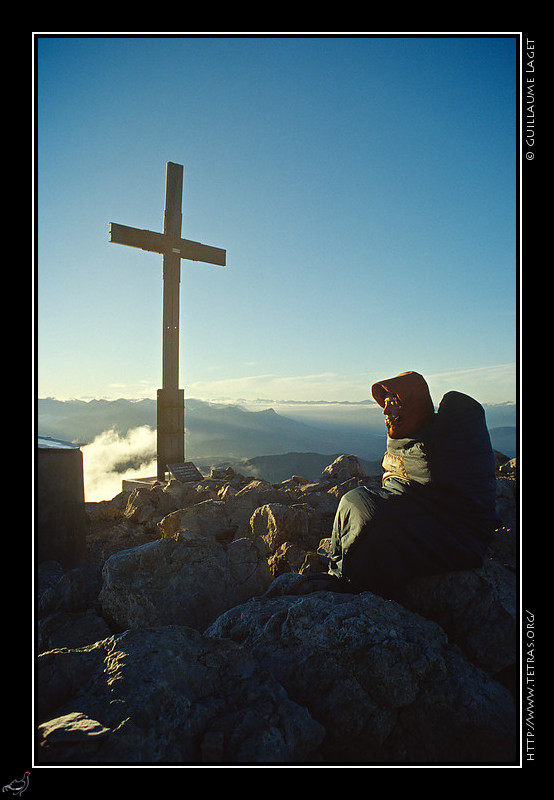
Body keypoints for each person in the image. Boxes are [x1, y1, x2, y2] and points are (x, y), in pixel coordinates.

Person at [319, 370, 499, 599]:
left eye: (393, 403)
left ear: (411, 406)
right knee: (351, 501)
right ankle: (338, 569)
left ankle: (352, 583)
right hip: (422, 505)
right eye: (385, 404)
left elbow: (434, 476)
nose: (385, 411)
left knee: (373, 523)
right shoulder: (412, 436)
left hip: (458, 531)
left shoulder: (440, 444)